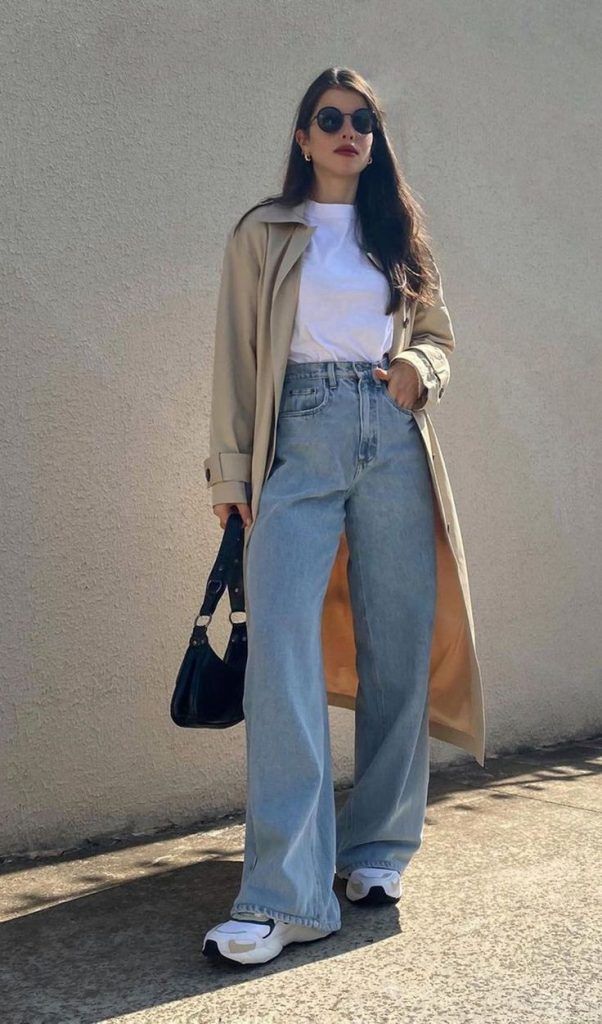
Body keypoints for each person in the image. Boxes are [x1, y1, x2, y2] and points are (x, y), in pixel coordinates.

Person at [202, 66, 455, 966]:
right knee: (280, 657)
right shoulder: (264, 232)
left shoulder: (399, 235)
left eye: (364, 121)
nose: (349, 132)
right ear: (304, 137)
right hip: (296, 444)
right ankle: (286, 894)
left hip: (392, 439)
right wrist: (230, 472)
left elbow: (438, 337)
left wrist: (420, 369)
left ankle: (378, 850)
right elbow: (237, 354)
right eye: (330, 118)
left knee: (399, 649)